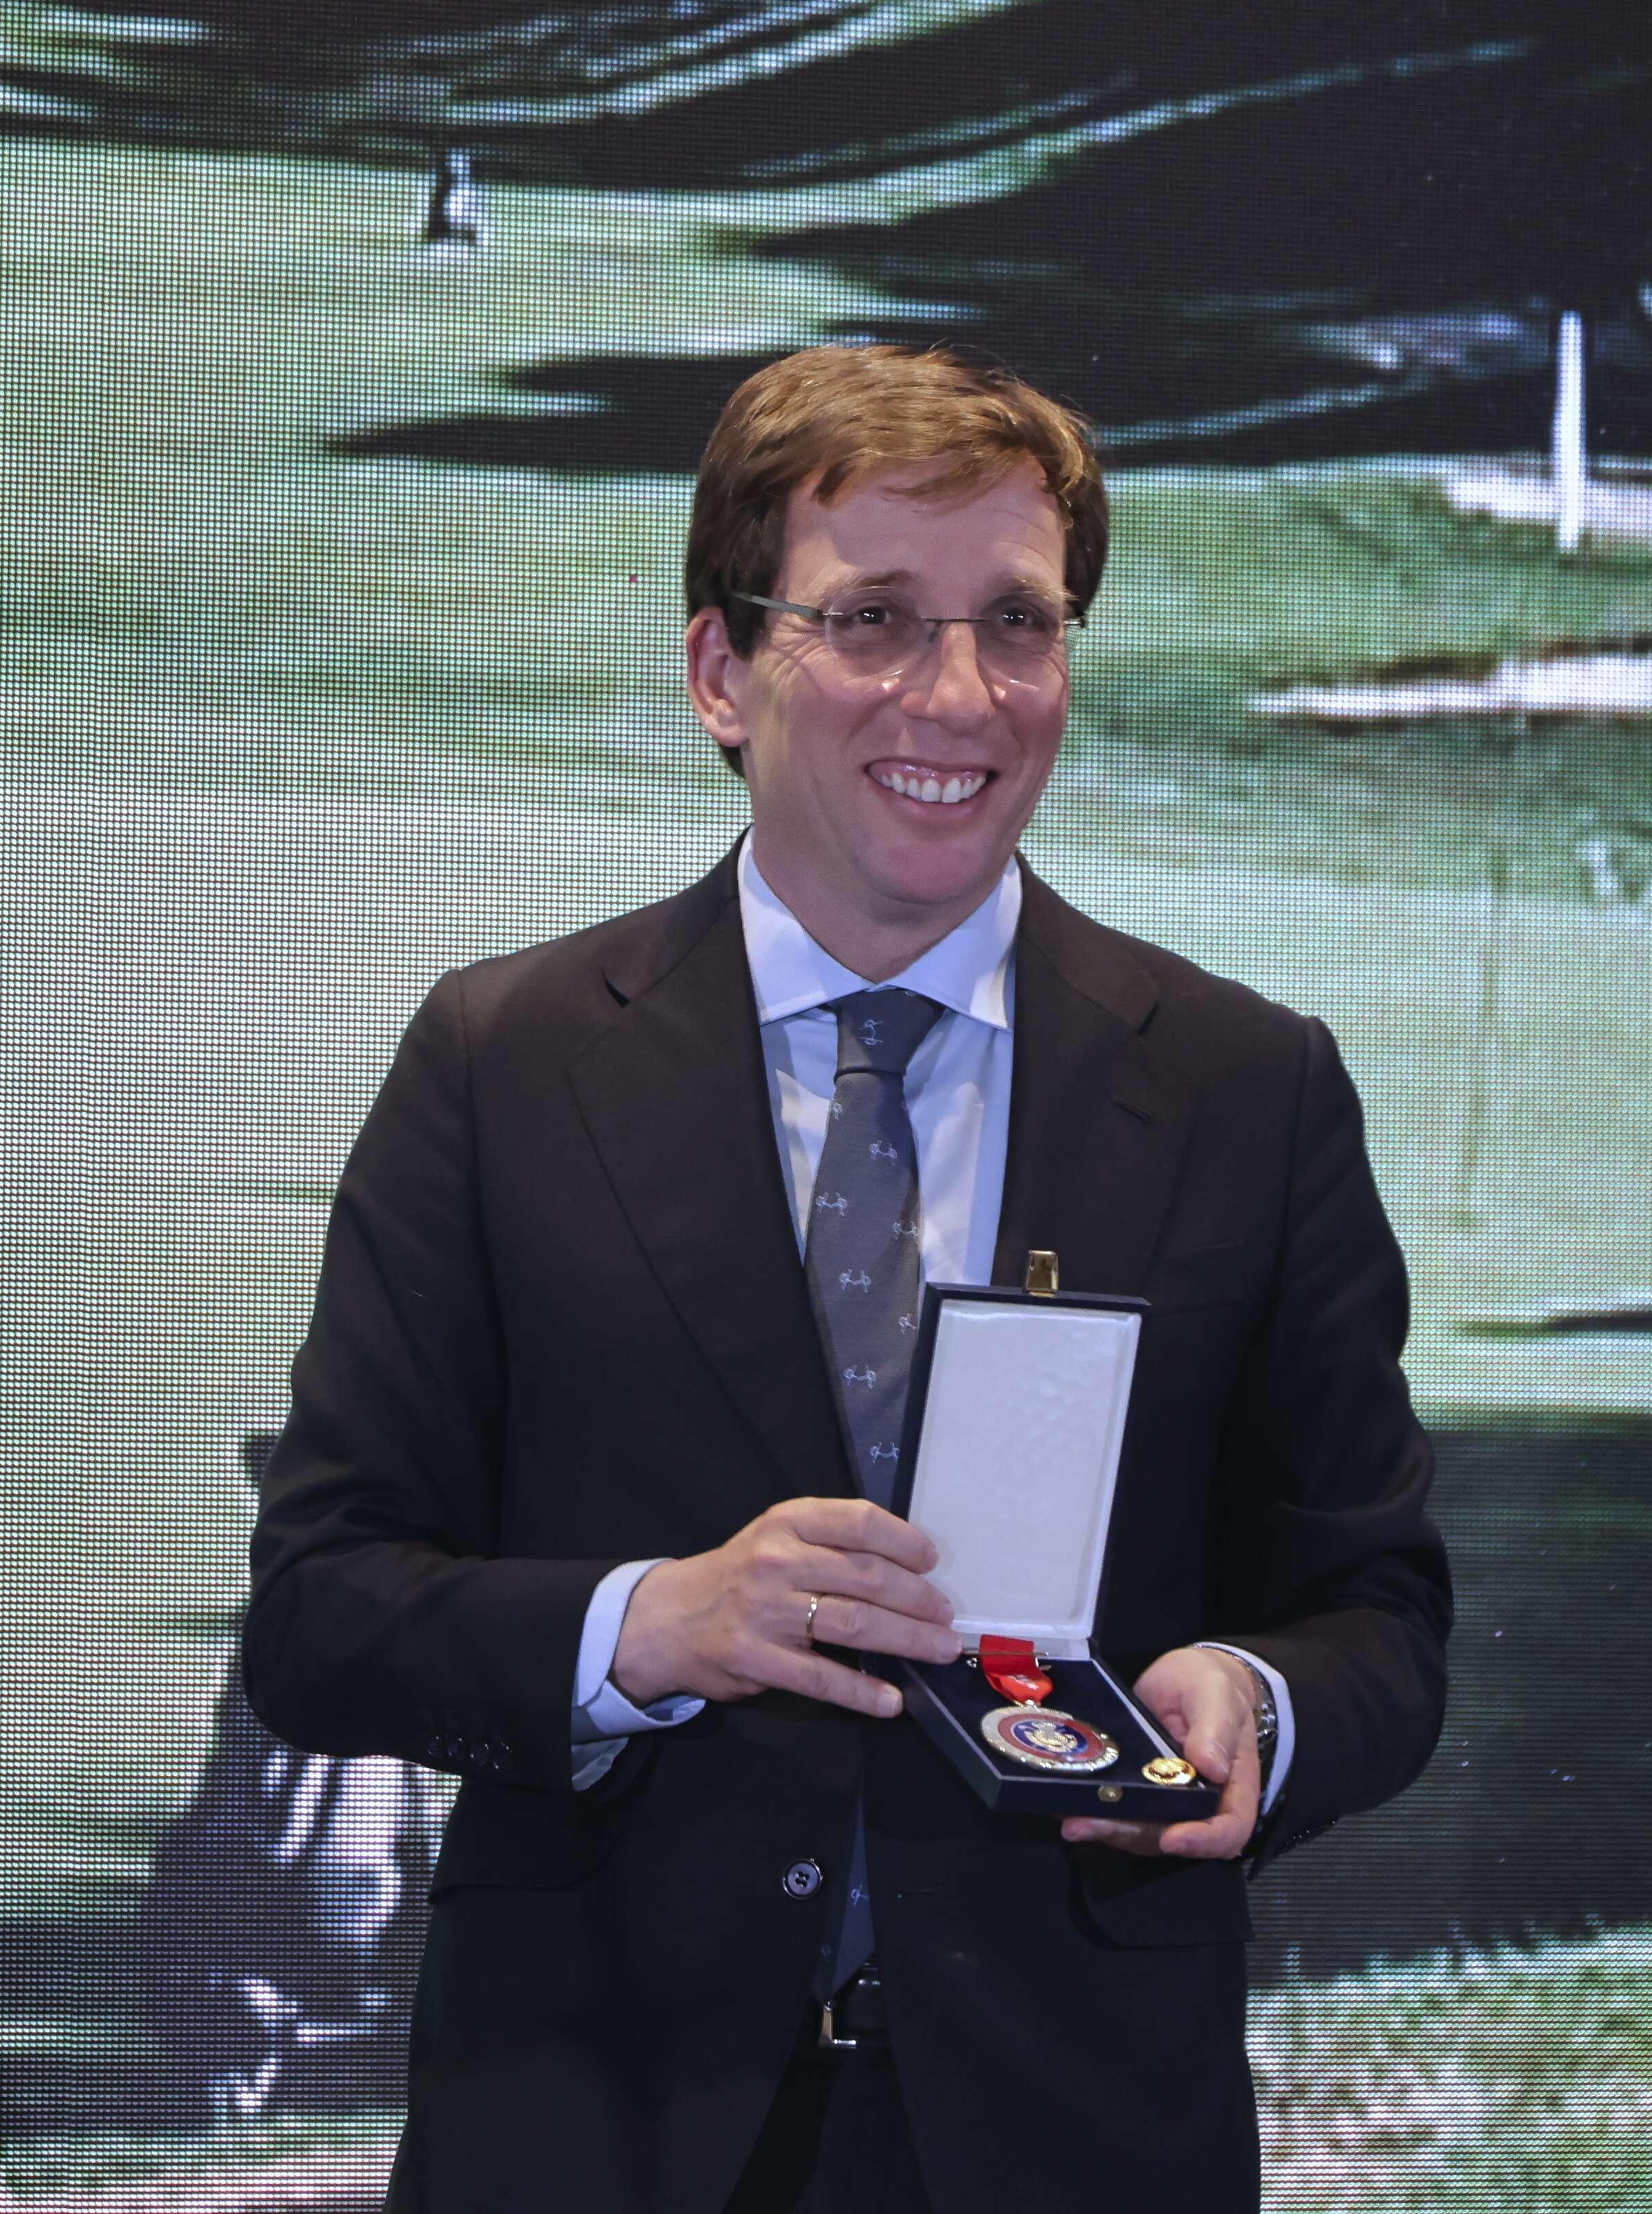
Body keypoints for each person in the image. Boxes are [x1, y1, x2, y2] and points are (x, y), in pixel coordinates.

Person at [243, 343, 1452, 2211]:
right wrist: (650, 1628)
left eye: (1016, 624)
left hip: (1073, 2139)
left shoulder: (1242, 1085)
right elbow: (323, 1611)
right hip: (594, 2130)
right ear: (722, 669)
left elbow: (1376, 1616)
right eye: (873, 620)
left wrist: (1252, 1701)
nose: (957, 695)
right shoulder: (502, 1063)